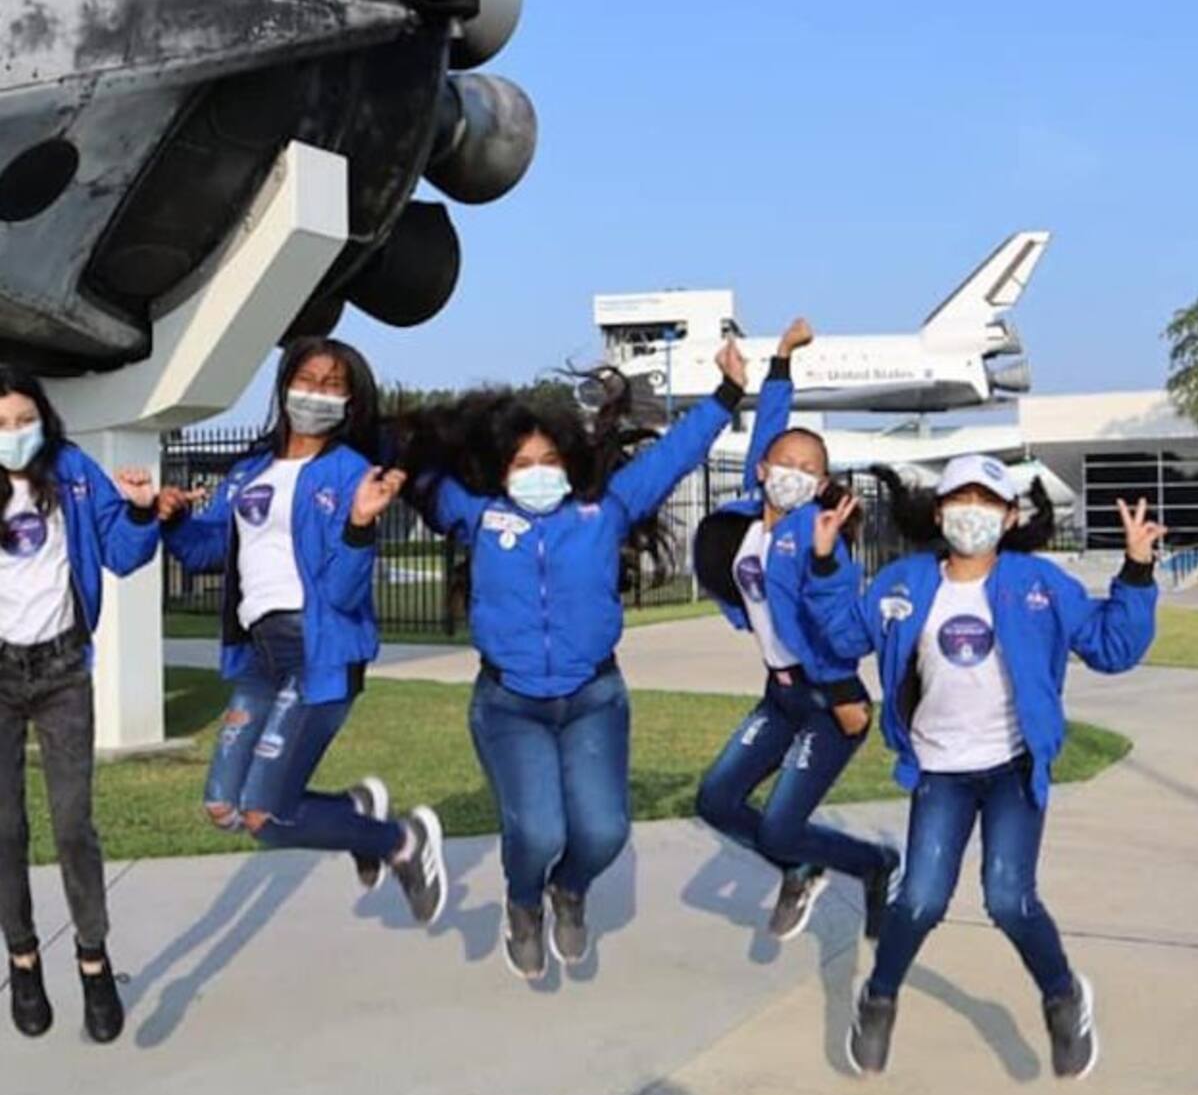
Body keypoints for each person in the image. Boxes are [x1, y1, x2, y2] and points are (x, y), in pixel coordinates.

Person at [805, 454, 1163, 1078]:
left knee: (1008, 898)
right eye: (959, 500)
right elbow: (840, 639)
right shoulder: (903, 584)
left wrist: (1135, 570)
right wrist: (825, 562)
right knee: (918, 899)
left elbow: (1112, 647)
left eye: (986, 501)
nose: (972, 513)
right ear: (938, 511)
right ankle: (880, 998)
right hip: (940, 770)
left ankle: (1062, 996)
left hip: (1011, 769)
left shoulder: (1040, 583)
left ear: (1010, 515)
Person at [403, 344, 750, 979]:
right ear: (500, 473)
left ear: (569, 464)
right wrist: (390, 450)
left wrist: (726, 395)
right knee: (536, 831)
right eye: (521, 464)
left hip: (594, 699)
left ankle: (570, 890)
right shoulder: (477, 516)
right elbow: (416, 475)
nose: (537, 473)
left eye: (548, 461)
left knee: (603, 833)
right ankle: (524, 903)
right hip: (511, 706)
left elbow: (672, 459)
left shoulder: (603, 512)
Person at [158, 337, 446, 928]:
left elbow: (342, 593)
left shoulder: (348, 474)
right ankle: (355, 814)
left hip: (319, 650)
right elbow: (206, 552)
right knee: (223, 807)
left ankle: (402, 841)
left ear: (350, 400)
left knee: (266, 816)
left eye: (332, 385)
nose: (315, 394)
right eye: (307, 379)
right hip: (260, 654)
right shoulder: (249, 471)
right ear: (285, 383)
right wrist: (172, 517)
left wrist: (361, 525)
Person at [692, 319, 899, 944]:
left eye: (810, 469)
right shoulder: (747, 521)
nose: (794, 472)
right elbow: (770, 427)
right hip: (780, 693)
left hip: (828, 699)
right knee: (716, 801)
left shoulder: (815, 533)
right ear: (762, 469)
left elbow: (840, 629)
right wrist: (780, 362)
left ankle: (873, 865)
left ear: (821, 482)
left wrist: (840, 693)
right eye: (785, 462)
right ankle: (803, 866)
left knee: (781, 826)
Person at [0, 365, 160, 1043]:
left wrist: (143, 510)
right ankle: (23, 957)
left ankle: (93, 960)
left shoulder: (71, 471)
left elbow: (123, 554)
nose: (14, 434)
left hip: (63, 668)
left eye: (22, 419)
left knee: (73, 826)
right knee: (5, 828)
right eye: (1, 424)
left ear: (43, 416)